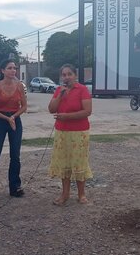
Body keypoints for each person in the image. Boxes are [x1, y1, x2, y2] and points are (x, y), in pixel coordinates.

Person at [0, 59, 27, 201]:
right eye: (10, 68)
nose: (13, 70)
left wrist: (13, 117)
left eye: (15, 68)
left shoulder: (20, 86)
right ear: (2, 71)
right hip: (0, 120)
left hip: (15, 119)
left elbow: (24, 106)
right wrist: (7, 119)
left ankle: (15, 186)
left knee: (15, 155)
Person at [48, 64, 93, 205]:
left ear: (75, 75)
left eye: (69, 74)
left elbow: (87, 111)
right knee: (64, 164)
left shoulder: (82, 89)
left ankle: (81, 195)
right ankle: (65, 194)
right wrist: (60, 96)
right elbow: (51, 109)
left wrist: (67, 117)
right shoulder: (58, 90)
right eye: (64, 75)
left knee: (79, 163)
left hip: (79, 132)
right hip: (62, 132)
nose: (67, 77)